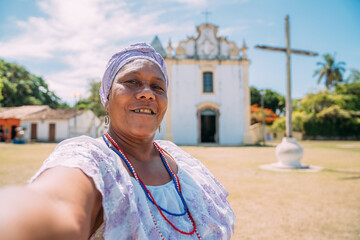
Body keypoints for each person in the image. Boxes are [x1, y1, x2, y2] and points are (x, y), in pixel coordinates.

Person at [0, 43, 235, 240]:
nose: (147, 93)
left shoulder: (183, 162)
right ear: (106, 97)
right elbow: (54, 204)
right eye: (131, 81)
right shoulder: (91, 159)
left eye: (158, 86)